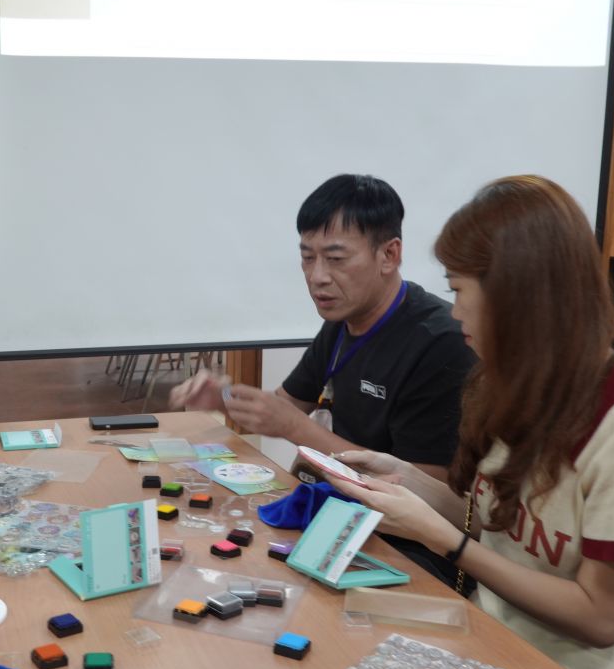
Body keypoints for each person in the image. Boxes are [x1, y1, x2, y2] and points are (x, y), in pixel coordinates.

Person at [326, 176, 614, 669]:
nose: (453, 311)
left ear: (515, 294)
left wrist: (445, 540)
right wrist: (408, 480)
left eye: (459, 290)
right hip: (503, 649)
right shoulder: (517, 379)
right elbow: (496, 525)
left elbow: (600, 618)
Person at [171, 174, 475, 583]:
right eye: (307, 257)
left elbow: (423, 493)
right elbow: (284, 406)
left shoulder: (439, 342)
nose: (317, 277)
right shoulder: (343, 320)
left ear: (389, 255)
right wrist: (224, 399)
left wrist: (296, 429)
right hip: (341, 518)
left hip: (409, 547)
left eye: (335, 259)